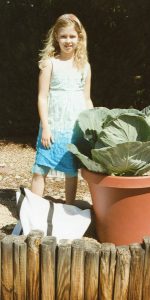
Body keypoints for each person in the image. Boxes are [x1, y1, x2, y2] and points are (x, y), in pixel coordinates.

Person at [31, 13, 93, 204]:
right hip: (52, 126)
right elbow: (42, 97)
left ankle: (69, 208)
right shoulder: (50, 64)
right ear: (56, 37)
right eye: (64, 36)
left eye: (72, 36)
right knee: (40, 168)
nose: (68, 41)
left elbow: (87, 98)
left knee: (71, 171)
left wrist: (92, 124)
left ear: (79, 38)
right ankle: (33, 209)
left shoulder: (85, 66)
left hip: (73, 127)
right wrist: (46, 127)